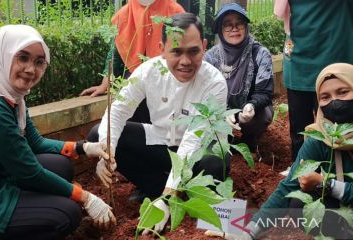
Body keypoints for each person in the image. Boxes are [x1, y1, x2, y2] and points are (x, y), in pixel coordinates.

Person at [95, 12, 228, 234]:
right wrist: (105, 152)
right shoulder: (149, 71)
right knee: (99, 136)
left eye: (193, 51)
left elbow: (193, 140)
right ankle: (154, 188)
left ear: (204, 46)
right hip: (163, 141)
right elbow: (118, 111)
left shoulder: (214, 83)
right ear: (162, 48)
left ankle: (191, 201)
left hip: (199, 154)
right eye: (176, 51)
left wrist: (169, 197)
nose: (185, 61)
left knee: (215, 162)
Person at [0, 25, 116, 239]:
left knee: (60, 165)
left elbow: (36, 143)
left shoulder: (13, 97)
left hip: (6, 176)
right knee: (66, 214)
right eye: (22, 58)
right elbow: (29, 172)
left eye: (39, 62)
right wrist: (86, 198)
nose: (31, 69)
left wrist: (85, 147)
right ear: (3, 55)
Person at [238, 63, 353, 239]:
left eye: (343, 92)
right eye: (325, 97)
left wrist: (327, 185)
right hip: (345, 209)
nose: (334, 102)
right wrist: (251, 230)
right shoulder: (320, 137)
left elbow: (326, 186)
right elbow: (288, 185)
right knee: (298, 202)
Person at [276, 0, 353, 162]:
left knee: (336, 125)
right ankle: (299, 169)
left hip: (333, 53)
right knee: (299, 127)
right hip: (297, 56)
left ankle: (336, 172)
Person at [204, 3, 274, 153]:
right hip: (220, 110)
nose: (234, 29)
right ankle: (223, 138)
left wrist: (252, 106)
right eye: (228, 25)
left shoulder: (260, 54)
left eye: (239, 24)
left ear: (246, 27)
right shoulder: (210, 58)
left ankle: (249, 138)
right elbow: (204, 93)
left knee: (263, 116)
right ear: (221, 30)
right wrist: (221, 113)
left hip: (247, 110)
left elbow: (264, 92)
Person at [80, 0, 185, 97]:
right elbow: (115, 53)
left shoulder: (175, 12)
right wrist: (105, 84)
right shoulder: (123, 15)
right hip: (135, 86)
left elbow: (184, 53)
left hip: (169, 85)